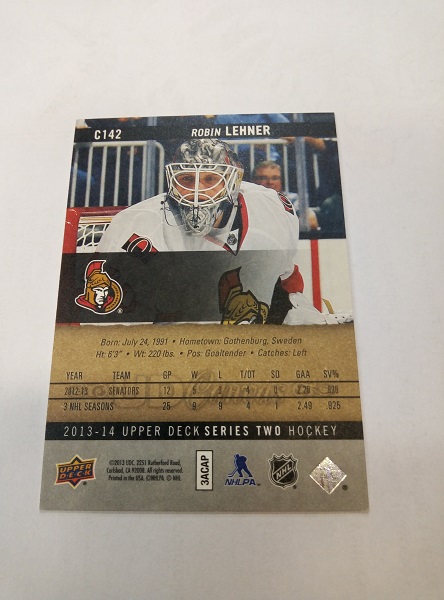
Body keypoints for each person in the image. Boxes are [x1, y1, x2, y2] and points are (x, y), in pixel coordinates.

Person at [97, 139, 350, 325]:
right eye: (187, 179)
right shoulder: (134, 225)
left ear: (233, 182)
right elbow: (105, 318)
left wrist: (302, 319)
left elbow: (288, 283)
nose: (197, 192)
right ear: (172, 180)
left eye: (210, 179)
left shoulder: (271, 207)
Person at [252, 161, 319, 231]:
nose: (270, 182)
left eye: (275, 178)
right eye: (263, 178)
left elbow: (311, 222)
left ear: (281, 181)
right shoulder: (248, 199)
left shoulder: (292, 199)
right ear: (253, 180)